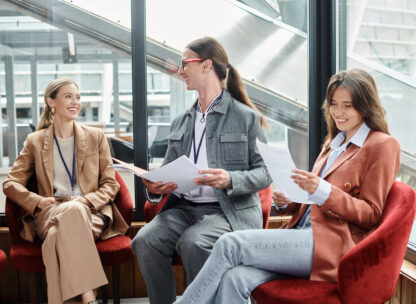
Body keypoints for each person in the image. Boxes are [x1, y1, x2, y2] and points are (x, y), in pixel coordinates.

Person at [174, 69, 401, 304]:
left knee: (230, 243)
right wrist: (290, 201)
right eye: (333, 104)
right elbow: (315, 200)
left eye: (348, 106)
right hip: (301, 235)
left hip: (331, 245)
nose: (338, 113)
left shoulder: (382, 145)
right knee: (235, 277)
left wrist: (321, 189)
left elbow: (371, 214)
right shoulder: (335, 142)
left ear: (365, 106)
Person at [130, 36, 271, 304]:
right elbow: (168, 171)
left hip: (228, 211)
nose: (181, 70)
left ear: (206, 66)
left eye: (186, 63)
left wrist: (230, 178)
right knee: (144, 240)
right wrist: (157, 189)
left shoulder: (245, 118)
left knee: (194, 242)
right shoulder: (181, 121)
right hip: (183, 209)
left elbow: (265, 172)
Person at [3, 78, 128, 304]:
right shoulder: (35, 141)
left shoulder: (96, 137)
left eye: (78, 97)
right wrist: (38, 201)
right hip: (50, 212)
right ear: (51, 102)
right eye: (68, 96)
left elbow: (111, 184)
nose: (75, 102)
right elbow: (10, 184)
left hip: (90, 213)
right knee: (65, 217)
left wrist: (86, 201)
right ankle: (89, 297)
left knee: (54, 237)